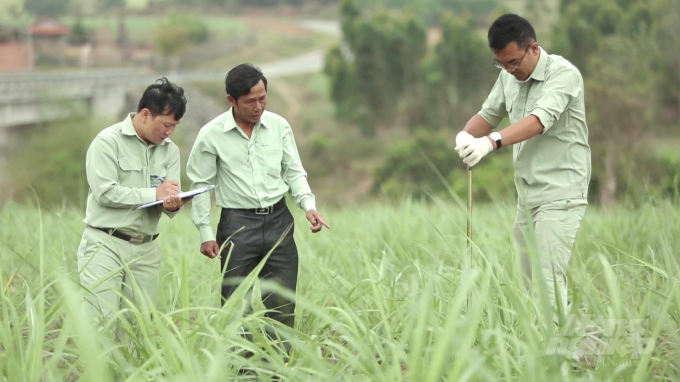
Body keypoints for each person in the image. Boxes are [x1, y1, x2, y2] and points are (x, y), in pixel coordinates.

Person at [454, 14, 591, 321]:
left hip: (561, 194)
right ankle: (545, 355)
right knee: (530, 284)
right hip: (527, 197)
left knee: (548, 279)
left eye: (514, 62)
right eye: (501, 64)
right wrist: (465, 135)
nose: (509, 70)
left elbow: (539, 121)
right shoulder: (508, 76)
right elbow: (488, 115)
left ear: (533, 49)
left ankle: (559, 361)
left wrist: (490, 143)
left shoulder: (563, 75)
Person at [186, 63, 330, 335]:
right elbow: (202, 187)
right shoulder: (211, 134)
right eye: (249, 101)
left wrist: (308, 206)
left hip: (279, 222)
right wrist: (205, 233)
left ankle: (278, 368)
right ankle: (242, 370)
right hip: (237, 226)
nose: (258, 107)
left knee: (283, 302)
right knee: (236, 304)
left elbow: (294, 171)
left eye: (262, 98)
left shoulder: (279, 126)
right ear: (231, 100)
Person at [77, 77, 190, 337]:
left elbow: (167, 199)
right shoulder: (107, 142)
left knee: (137, 330)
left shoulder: (170, 151)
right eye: (165, 124)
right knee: (100, 324)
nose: (169, 132)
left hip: (146, 249)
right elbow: (105, 192)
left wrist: (174, 204)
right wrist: (154, 193)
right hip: (105, 244)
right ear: (145, 114)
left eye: (174, 126)